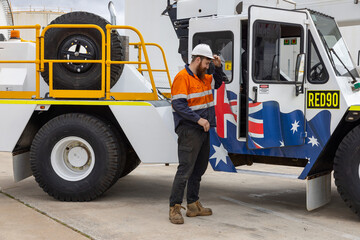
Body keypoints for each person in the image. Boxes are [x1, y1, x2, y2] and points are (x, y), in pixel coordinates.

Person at [169, 44, 225, 224]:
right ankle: (174, 208)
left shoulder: (204, 78)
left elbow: (220, 81)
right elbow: (179, 105)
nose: (208, 66)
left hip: (203, 130)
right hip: (189, 129)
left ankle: (193, 205)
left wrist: (218, 66)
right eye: (207, 62)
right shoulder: (182, 77)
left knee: (199, 169)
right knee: (185, 169)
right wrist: (198, 119)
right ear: (198, 59)